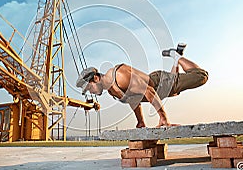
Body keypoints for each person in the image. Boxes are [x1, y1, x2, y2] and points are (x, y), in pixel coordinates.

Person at [76, 43, 208, 128]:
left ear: (96, 78)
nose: (91, 92)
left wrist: (163, 119)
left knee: (201, 77)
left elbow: (149, 91)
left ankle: (177, 57)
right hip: (158, 90)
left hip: (159, 83)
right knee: (174, 90)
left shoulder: (119, 77)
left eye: (89, 88)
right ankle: (175, 60)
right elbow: (133, 100)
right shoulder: (111, 90)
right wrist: (141, 121)